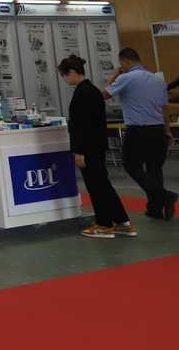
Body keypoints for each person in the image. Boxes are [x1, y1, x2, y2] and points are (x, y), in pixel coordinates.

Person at [59, 55, 134, 238]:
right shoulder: (92, 91)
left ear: (72, 72)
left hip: (88, 148)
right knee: (103, 184)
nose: (64, 79)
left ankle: (104, 224)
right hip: (97, 145)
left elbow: (81, 126)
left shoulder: (82, 94)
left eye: (64, 75)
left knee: (96, 186)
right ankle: (122, 221)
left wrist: (78, 152)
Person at [104, 47, 176, 220]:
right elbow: (164, 109)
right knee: (155, 168)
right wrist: (168, 131)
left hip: (138, 130)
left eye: (121, 64)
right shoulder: (158, 80)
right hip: (158, 130)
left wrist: (114, 76)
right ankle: (155, 209)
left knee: (131, 165)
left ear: (126, 61)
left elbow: (103, 95)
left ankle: (165, 196)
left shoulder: (126, 78)